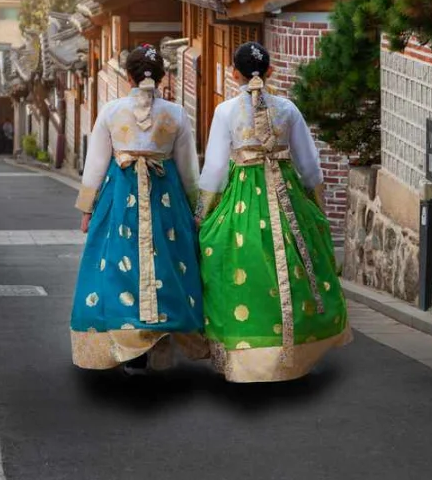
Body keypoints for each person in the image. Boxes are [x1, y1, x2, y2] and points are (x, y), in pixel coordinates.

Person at [196, 41, 350, 382]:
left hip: (242, 197)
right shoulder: (288, 108)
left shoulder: (226, 111)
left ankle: (246, 355)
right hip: (286, 194)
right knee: (296, 265)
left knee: (237, 264)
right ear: (270, 71)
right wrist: (315, 204)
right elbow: (309, 164)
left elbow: (215, 168)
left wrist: (203, 212)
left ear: (233, 74)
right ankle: (293, 353)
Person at [70, 44, 205, 373]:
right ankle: (159, 339)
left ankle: (126, 340)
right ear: (162, 77)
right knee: (167, 266)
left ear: (128, 77)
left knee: (118, 266)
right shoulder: (176, 113)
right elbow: (189, 170)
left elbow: (96, 164)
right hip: (165, 199)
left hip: (119, 197)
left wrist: (87, 209)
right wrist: (196, 209)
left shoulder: (111, 111)